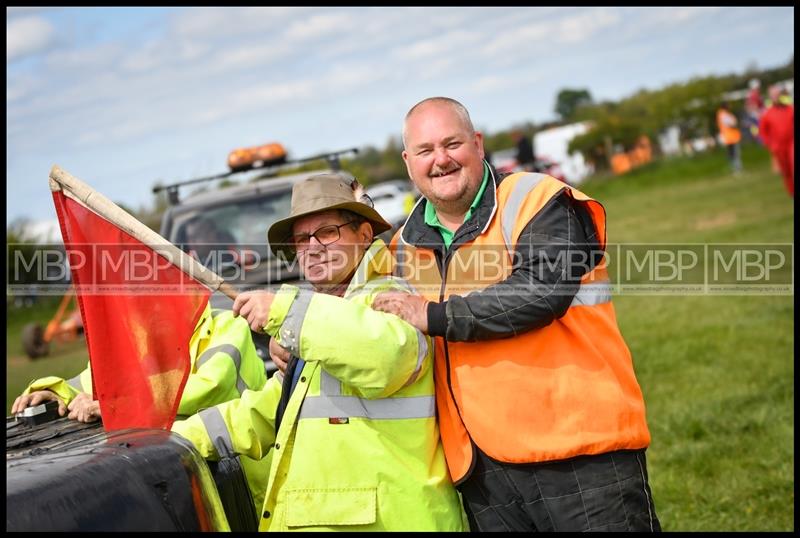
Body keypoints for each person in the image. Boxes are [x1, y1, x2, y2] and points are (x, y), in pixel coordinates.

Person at [372, 96, 660, 532]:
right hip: (483, 471)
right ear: (408, 161)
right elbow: (365, 315)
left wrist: (434, 315)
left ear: (478, 143)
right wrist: (295, 344)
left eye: (452, 144)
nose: (441, 160)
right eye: (426, 150)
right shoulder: (401, 246)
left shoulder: (536, 200)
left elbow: (543, 289)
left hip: (579, 452)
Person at [171, 172, 465, 531]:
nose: (312, 246)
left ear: (364, 234)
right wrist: (173, 440)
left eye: (327, 232)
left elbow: (386, 358)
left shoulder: (387, 296)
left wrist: (286, 312)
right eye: (300, 239)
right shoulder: (322, 317)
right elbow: (266, 413)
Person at [11, 302, 272, 519]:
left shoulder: (227, 325)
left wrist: (121, 404)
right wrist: (54, 392)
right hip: (188, 481)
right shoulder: (136, 340)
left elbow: (210, 386)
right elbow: (93, 383)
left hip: (249, 480)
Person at [759, 85, 794, 198]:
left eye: (777, 94)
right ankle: (791, 192)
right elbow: (763, 132)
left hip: (791, 144)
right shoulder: (767, 114)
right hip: (778, 147)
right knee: (786, 172)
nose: (776, 96)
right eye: (773, 95)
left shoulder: (790, 109)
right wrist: (769, 144)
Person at [716, 101, 743, 173]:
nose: (730, 106)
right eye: (728, 105)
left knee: (732, 155)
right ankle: (737, 169)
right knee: (735, 155)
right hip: (731, 138)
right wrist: (735, 122)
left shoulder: (722, 114)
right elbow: (732, 124)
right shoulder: (723, 114)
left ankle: (735, 169)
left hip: (729, 137)